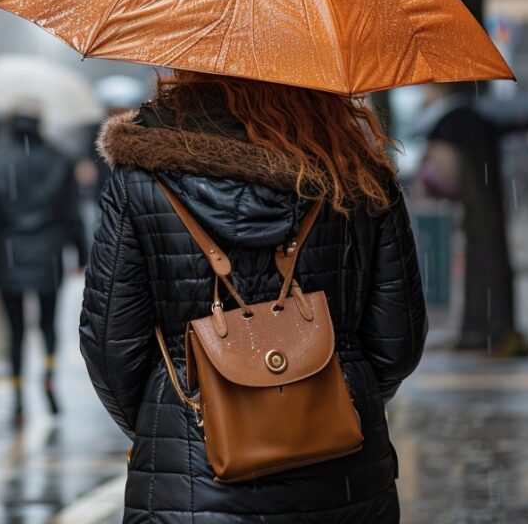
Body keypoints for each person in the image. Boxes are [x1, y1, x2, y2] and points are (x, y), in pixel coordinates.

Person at [82, 72, 427, 523]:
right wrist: (315, 406)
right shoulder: (360, 176)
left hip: (190, 479)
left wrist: (171, 420)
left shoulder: (142, 179)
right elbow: (397, 344)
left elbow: (110, 346)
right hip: (342, 479)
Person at [0, 102, 87, 427]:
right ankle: (49, 374)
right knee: (49, 324)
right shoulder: (58, 159)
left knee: (16, 332)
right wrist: (81, 253)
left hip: (8, 255)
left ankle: (18, 399)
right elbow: (71, 214)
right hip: (48, 252)